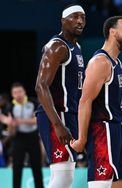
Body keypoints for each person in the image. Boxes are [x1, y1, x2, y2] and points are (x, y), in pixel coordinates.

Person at [70, 16, 122, 188]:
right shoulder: (100, 62)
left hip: (116, 130)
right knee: (101, 184)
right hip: (102, 130)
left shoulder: (117, 62)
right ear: (112, 32)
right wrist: (82, 138)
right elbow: (85, 101)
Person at [35, 4, 86, 188]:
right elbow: (41, 86)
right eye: (75, 17)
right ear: (63, 21)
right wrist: (57, 124)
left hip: (68, 114)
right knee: (64, 177)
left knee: (62, 175)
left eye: (83, 17)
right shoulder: (57, 46)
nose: (80, 21)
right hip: (56, 115)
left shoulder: (76, 47)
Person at [0, 82, 44, 188]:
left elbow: (37, 120)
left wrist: (20, 121)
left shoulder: (33, 102)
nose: (18, 94)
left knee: (36, 167)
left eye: (20, 91)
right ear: (12, 94)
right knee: (17, 168)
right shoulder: (10, 107)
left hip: (33, 137)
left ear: (24, 91)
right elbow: (11, 131)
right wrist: (11, 124)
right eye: (15, 92)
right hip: (18, 138)